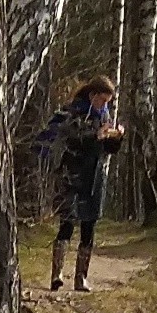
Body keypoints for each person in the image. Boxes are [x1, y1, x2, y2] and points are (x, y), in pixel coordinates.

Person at [32, 75, 125, 294]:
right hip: (71, 174)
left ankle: (81, 277)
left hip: (95, 175)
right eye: (103, 100)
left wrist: (116, 138)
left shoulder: (104, 115)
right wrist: (95, 136)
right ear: (93, 95)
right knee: (67, 222)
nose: (105, 105)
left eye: (108, 102)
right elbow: (71, 138)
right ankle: (57, 275)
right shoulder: (73, 112)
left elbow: (107, 150)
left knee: (89, 225)